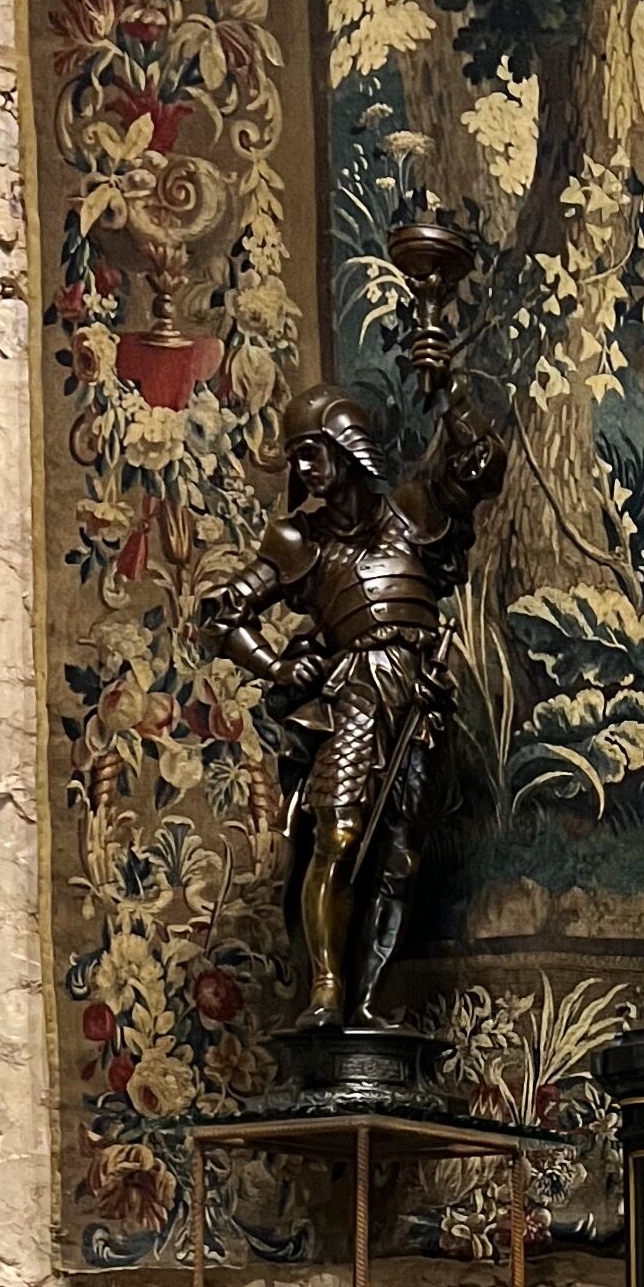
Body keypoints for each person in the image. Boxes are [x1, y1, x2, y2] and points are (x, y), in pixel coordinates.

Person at [198, 370, 503, 1035]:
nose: (304, 467)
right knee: (336, 839)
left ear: (348, 447)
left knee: (400, 860)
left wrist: (451, 392)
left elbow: (481, 464)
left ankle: (367, 1001)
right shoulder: (296, 542)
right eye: (298, 455)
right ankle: (327, 992)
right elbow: (222, 616)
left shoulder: (413, 512)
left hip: (422, 703)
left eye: (314, 451)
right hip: (353, 695)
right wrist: (278, 665)